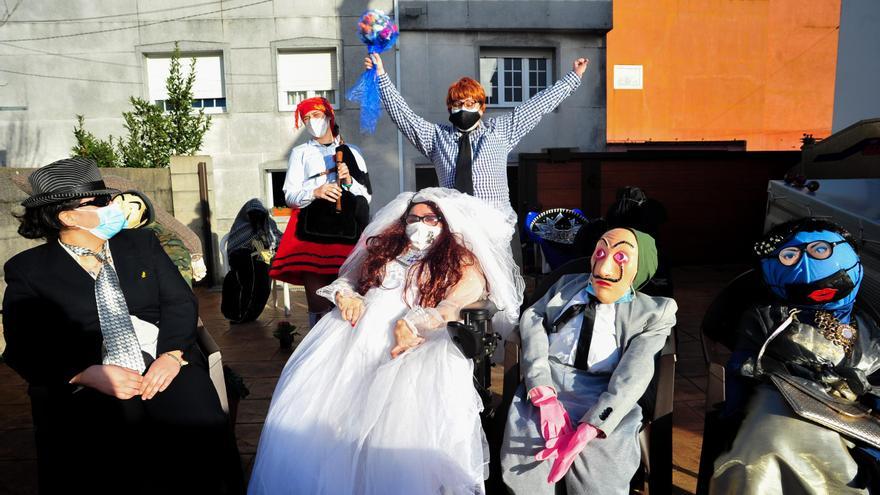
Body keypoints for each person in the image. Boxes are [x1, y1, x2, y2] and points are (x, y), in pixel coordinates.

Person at [248, 187, 524, 495]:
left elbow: (454, 305)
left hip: (417, 339)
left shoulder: (463, 260)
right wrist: (346, 296)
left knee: (394, 418)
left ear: (446, 223)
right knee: (319, 407)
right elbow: (348, 280)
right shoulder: (387, 248)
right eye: (413, 217)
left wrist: (417, 322)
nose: (419, 223)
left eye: (430, 218)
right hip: (355, 332)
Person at [2, 157, 243, 494]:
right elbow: (23, 344)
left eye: (109, 198)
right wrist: (82, 373)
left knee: (198, 420)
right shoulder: (29, 269)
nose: (112, 206)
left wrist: (171, 355)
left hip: (163, 356)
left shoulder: (141, 244)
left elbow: (179, 301)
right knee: (112, 441)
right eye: (100, 201)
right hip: (91, 371)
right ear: (67, 216)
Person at [365, 53, 589, 265]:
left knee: (504, 298)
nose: (463, 109)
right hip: (455, 231)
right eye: (457, 104)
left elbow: (538, 105)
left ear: (482, 108)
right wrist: (381, 77)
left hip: (496, 230)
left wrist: (573, 77)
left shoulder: (501, 131)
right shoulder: (435, 137)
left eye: (470, 104)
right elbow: (403, 115)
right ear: (449, 108)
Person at [501, 227, 677, 494]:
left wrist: (593, 424)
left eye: (621, 257)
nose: (604, 268)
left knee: (599, 463)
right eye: (602, 251)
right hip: (550, 380)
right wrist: (542, 391)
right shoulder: (565, 286)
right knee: (526, 452)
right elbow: (532, 318)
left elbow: (633, 375)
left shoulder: (654, 313)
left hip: (605, 392)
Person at [711, 218, 879, 494]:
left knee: (852, 468)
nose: (808, 266)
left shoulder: (866, 327)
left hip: (852, 414)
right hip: (784, 398)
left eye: (820, 251)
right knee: (764, 454)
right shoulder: (769, 318)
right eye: (790, 256)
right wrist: (734, 408)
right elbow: (744, 361)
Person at [269, 96, 372, 328]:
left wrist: (348, 182)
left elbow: (366, 196)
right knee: (318, 304)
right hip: (310, 232)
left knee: (348, 297)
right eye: (306, 118)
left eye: (315, 115)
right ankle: (317, 349)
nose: (311, 121)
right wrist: (315, 192)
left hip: (346, 231)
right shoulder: (300, 152)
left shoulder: (352, 151)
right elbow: (289, 196)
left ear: (328, 116)